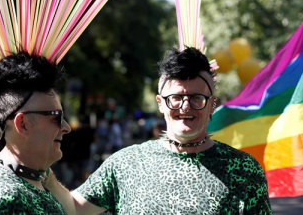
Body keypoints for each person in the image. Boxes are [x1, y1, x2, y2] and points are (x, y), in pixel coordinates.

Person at [46, 47, 272, 214]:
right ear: (160, 103)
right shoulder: (126, 163)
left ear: (212, 104)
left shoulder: (244, 170)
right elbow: (73, 208)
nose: (185, 107)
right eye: (175, 98)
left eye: (197, 98)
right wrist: (39, 167)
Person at [0, 52, 72, 214]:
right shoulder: (5, 200)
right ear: (23, 124)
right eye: (56, 117)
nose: (66, 127)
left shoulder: (27, 181)